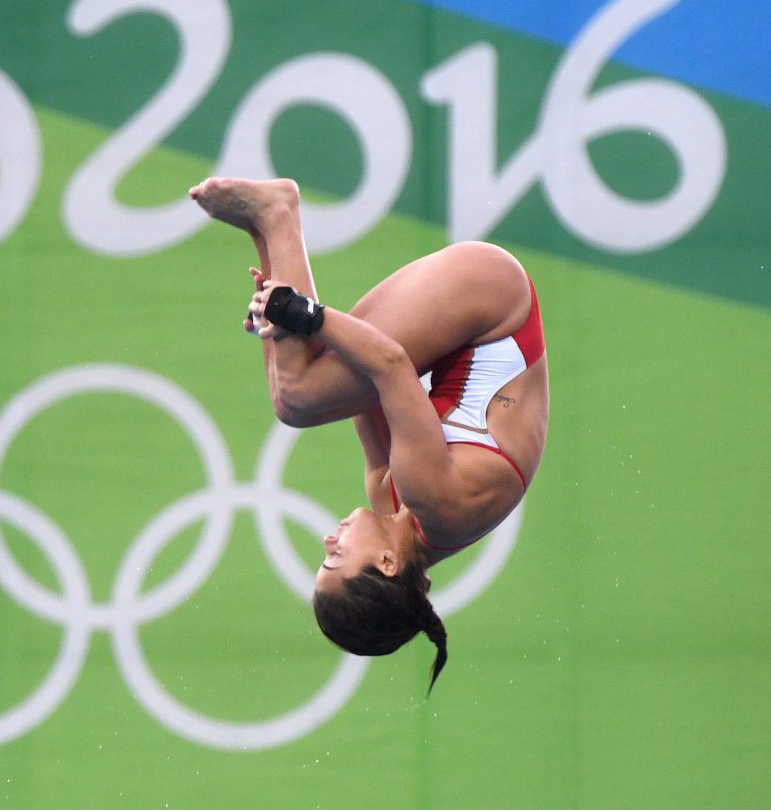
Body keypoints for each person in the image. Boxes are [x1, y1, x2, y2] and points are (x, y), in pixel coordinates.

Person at [189, 176, 549, 693]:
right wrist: (303, 313)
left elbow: (368, 393)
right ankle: (276, 214)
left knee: (297, 381)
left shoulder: (396, 500)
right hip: (491, 299)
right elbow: (389, 365)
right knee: (298, 397)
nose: (328, 538)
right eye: (335, 555)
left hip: (472, 318)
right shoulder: (433, 498)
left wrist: (284, 316)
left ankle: (264, 232)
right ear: (386, 562)